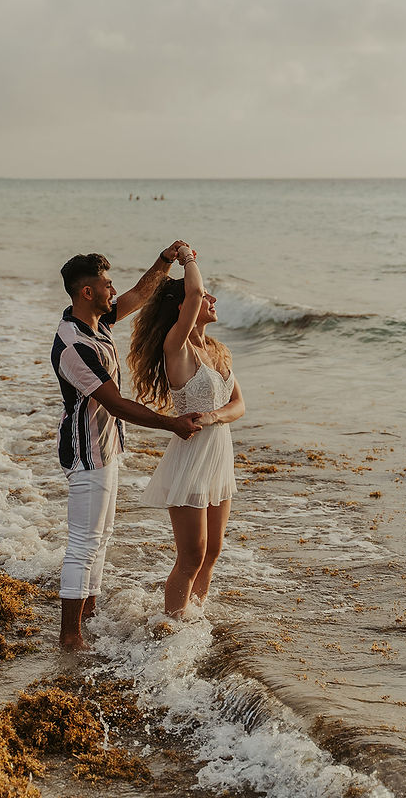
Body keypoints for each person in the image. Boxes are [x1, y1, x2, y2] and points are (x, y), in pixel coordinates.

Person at [52, 243, 203, 650]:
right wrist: (171, 423)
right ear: (87, 292)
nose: (113, 289)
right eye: (105, 284)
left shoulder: (96, 324)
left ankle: (89, 615)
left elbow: (140, 293)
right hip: (87, 453)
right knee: (84, 541)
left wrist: (167, 258)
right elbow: (116, 403)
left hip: (106, 446)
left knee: (101, 537)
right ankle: (70, 636)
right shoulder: (74, 346)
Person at [128, 244, 245, 617]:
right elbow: (194, 291)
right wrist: (188, 258)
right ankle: (170, 626)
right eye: (200, 297)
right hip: (192, 457)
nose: (210, 298)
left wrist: (212, 417)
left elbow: (239, 405)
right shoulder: (175, 347)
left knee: (213, 551)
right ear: (183, 308)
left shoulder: (217, 350)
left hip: (218, 454)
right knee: (192, 554)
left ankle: (193, 619)